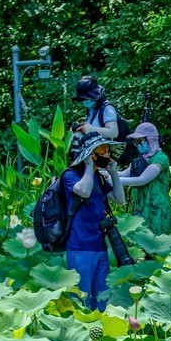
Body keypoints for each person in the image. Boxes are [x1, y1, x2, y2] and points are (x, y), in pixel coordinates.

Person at [62, 131, 126, 311]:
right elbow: (84, 191)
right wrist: (89, 166)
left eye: (108, 150)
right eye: (102, 150)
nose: (107, 154)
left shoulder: (98, 177)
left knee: (102, 297)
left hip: (100, 246)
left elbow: (119, 199)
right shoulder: (70, 175)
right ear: (90, 154)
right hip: (80, 247)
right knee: (81, 299)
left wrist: (113, 173)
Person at [120, 122, 171, 235]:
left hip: (157, 207)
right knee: (140, 241)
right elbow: (123, 174)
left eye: (141, 141)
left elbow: (142, 179)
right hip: (141, 206)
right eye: (136, 141)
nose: (138, 144)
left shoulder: (160, 158)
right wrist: (105, 172)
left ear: (151, 139)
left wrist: (115, 181)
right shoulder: (141, 159)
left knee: (156, 242)